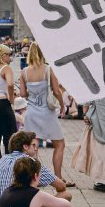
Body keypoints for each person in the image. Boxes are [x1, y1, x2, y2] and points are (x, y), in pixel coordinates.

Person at [20, 42, 72, 185]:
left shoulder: (24, 72)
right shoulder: (48, 70)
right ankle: (58, 177)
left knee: (33, 146)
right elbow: (56, 91)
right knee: (59, 144)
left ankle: (34, 179)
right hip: (47, 112)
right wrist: (62, 105)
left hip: (31, 112)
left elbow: (23, 93)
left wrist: (32, 93)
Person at [0, 131, 71, 204]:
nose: (36, 148)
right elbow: (61, 185)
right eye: (33, 145)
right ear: (25, 146)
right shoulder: (30, 162)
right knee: (66, 195)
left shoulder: (3, 159)